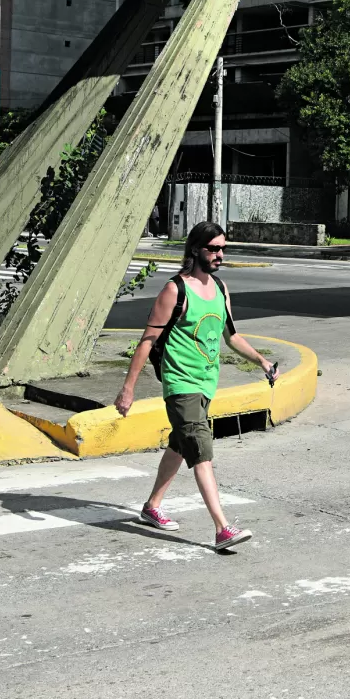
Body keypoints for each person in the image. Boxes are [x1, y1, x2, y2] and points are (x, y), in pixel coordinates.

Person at [115, 221, 278, 551]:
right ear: (195, 250)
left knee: (180, 444)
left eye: (223, 248)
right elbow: (148, 341)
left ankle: (151, 507)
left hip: (206, 384)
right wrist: (128, 388)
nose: (220, 254)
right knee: (201, 449)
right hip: (180, 384)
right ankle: (222, 528)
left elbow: (231, 336)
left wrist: (262, 361)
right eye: (213, 248)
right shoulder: (175, 290)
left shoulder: (220, 288)